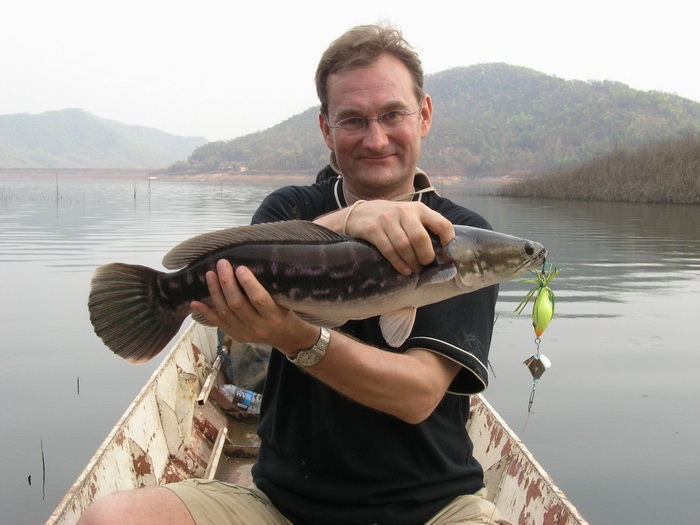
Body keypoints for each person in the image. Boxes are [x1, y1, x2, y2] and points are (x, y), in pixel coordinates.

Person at [78, 24, 510, 525]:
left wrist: (295, 336)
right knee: (109, 519)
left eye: (393, 115)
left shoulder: (461, 235)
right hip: (280, 505)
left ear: (425, 115)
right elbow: (253, 261)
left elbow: (416, 396)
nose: (375, 138)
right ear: (327, 129)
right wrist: (351, 219)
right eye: (353, 120)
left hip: (434, 510)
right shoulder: (291, 206)